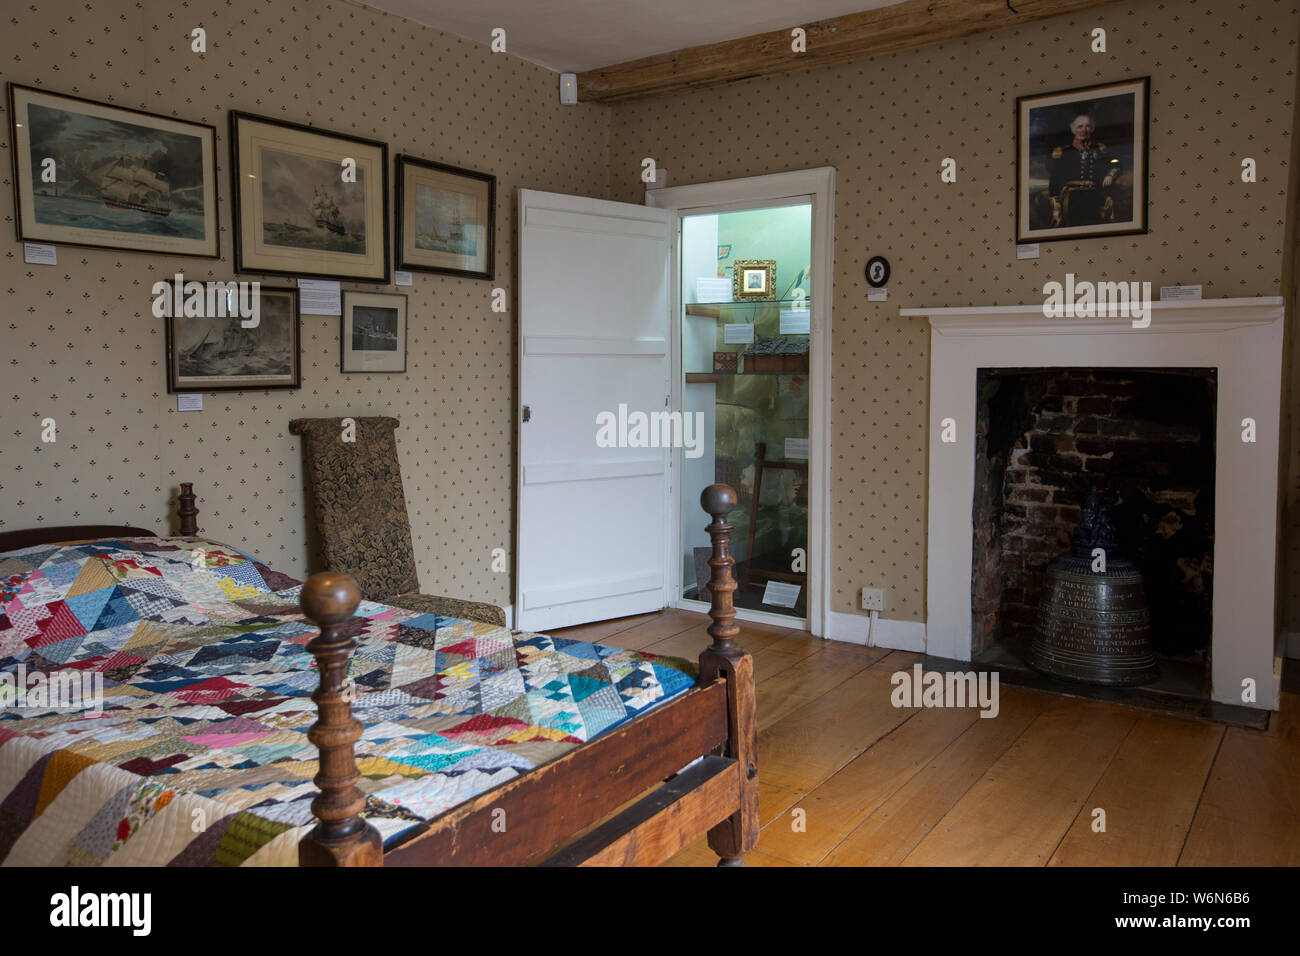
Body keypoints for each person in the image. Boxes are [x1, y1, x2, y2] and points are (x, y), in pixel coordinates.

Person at [1047, 112, 1119, 227]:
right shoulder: (1062, 153)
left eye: (1087, 126)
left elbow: (1116, 165)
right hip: (1070, 200)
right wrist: (1056, 209)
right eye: (1080, 126)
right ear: (1073, 129)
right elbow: (1054, 182)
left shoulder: (1100, 149)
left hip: (1094, 197)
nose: (1084, 130)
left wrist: (1110, 175)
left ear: (1092, 128)